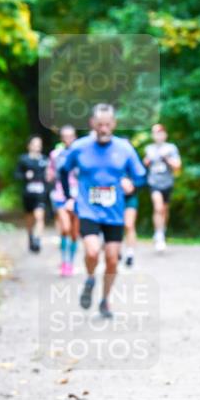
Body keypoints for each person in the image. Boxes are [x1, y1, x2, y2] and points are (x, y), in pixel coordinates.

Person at [59, 104, 147, 318]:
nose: (104, 129)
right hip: (88, 209)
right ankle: (90, 278)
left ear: (114, 124)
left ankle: (105, 300)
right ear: (92, 124)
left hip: (114, 213)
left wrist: (131, 185)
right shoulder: (80, 147)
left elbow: (141, 176)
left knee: (112, 259)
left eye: (108, 125)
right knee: (91, 251)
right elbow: (63, 170)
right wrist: (70, 197)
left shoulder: (124, 148)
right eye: (100, 125)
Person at [142, 123, 182, 252]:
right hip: (154, 183)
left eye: (160, 133)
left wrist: (167, 159)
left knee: (164, 210)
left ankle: (161, 230)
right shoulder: (149, 149)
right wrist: (147, 161)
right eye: (155, 133)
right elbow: (143, 165)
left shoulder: (171, 148)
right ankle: (159, 235)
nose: (158, 136)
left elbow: (177, 166)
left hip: (167, 183)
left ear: (165, 135)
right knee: (158, 207)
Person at [48, 125, 80, 276]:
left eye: (71, 136)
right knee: (65, 228)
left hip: (79, 196)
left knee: (74, 233)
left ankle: (70, 263)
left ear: (75, 137)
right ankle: (64, 261)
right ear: (61, 138)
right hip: (61, 195)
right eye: (65, 136)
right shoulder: (55, 154)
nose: (68, 139)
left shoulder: (81, 154)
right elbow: (50, 173)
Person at [14, 136, 50, 253]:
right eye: (35, 144)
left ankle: (37, 240)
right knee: (30, 218)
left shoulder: (45, 160)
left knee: (40, 216)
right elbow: (16, 175)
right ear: (29, 145)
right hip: (28, 193)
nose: (38, 146)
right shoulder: (23, 159)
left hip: (41, 193)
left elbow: (49, 176)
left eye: (39, 144)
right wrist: (25, 175)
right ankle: (30, 236)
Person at [122, 179, 139, 267]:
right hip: (111, 196)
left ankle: (130, 254)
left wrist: (133, 184)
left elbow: (141, 178)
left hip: (130, 197)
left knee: (129, 224)